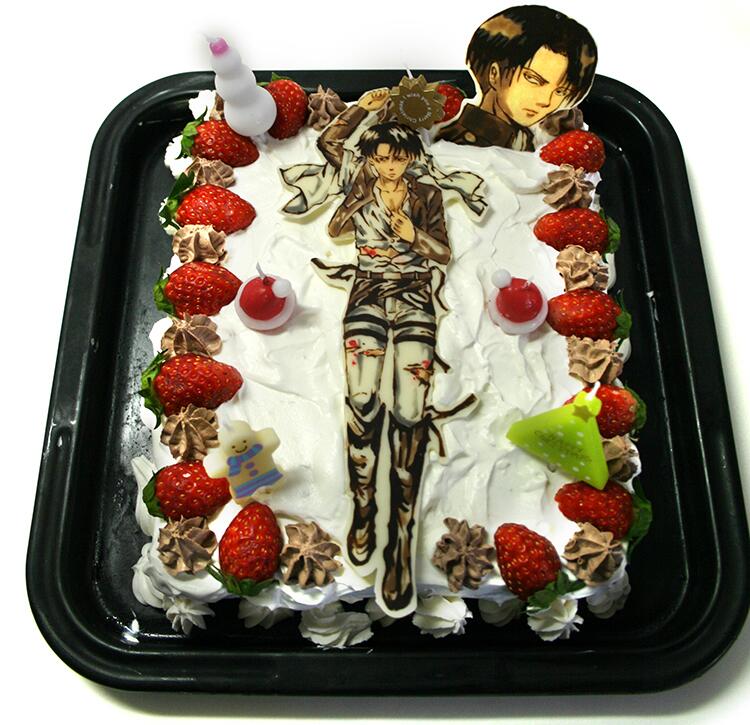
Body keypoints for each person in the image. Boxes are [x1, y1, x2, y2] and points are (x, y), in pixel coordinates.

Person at [281, 88, 484, 614]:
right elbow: (330, 154)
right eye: (381, 157)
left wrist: (412, 233)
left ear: (411, 158)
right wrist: (362, 110)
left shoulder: (427, 195)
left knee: (412, 411)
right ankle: (365, 508)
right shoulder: (358, 183)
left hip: (415, 297)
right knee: (362, 400)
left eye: (398, 157)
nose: (390, 165)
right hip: (367, 294)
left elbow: (443, 252)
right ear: (371, 158)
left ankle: (400, 541)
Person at [435, 5, 597, 150]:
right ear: (494, 74)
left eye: (561, 91)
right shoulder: (461, 146)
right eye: (533, 79)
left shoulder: (529, 141)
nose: (545, 101)